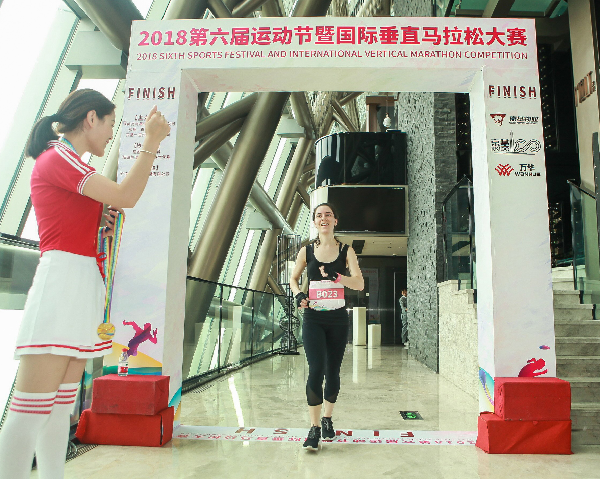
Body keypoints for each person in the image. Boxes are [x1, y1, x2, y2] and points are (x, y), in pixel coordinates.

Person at [0, 88, 170, 479]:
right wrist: (151, 142)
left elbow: (86, 216)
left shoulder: (68, 162)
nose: (111, 133)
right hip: (62, 286)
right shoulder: (58, 157)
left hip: (77, 284)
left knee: (60, 409)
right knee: (29, 411)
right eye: (110, 123)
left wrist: (97, 224)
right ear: (91, 118)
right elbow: (126, 195)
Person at [290, 203, 364, 450]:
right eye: (319, 215)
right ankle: (314, 428)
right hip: (313, 318)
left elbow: (359, 284)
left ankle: (327, 419)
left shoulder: (346, 251)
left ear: (335, 221)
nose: (324, 218)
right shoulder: (306, 251)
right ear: (314, 222)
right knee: (316, 369)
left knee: (332, 371)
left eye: (328, 215)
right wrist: (299, 295)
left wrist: (338, 277)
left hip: (338, 319)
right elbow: (293, 279)